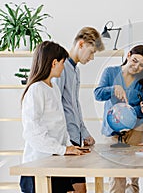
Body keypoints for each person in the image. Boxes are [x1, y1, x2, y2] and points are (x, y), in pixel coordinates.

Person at [20, 41, 84, 193]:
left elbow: (60, 125)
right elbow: (33, 133)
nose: (64, 67)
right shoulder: (36, 89)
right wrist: (62, 149)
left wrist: (69, 147)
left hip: (55, 162)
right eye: (62, 63)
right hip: (38, 166)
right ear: (54, 63)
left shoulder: (53, 87)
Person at [52, 26, 104, 192]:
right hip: (66, 141)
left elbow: (74, 105)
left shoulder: (75, 70)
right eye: (92, 52)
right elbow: (57, 105)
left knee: (81, 189)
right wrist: (66, 142)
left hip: (75, 138)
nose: (92, 57)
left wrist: (84, 132)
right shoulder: (61, 68)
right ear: (81, 44)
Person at [94, 45, 143, 193]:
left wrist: (132, 111)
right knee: (116, 173)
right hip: (112, 131)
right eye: (134, 61)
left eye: (142, 65)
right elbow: (98, 94)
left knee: (133, 173)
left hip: (135, 131)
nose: (136, 67)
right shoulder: (110, 72)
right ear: (128, 55)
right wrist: (112, 89)